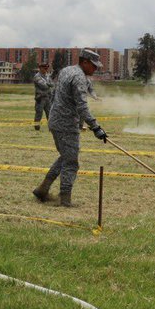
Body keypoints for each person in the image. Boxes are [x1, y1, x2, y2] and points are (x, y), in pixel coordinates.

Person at [32, 49, 107, 207]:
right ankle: (65, 199)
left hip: (56, 120)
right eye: (93, 66)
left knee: (66, 156)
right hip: (66, 124)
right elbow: (82, 107)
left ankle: (42, 189)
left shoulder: (67, 70)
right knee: (71, 162)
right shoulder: (79, 77)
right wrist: (96, 127)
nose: (95, 69)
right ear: (84, 61)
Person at [33, 61, 54, 131]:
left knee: (50, 114)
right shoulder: (37, 76)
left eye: (47, 68)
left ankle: (51, 128)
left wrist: (48, 84)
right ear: (40, 68)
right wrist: (49, 84)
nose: (46, 70)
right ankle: (37, 127)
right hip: (40, 98)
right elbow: (43, 86)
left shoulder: (47, 76)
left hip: (48, 97)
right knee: (39, 113)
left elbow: (52, 84)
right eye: (44, 68)